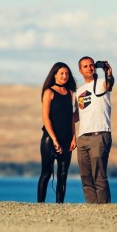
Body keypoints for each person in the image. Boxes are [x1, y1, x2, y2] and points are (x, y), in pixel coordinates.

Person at [74, 56, 115, 204]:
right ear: (80, 70)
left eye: (91, 65)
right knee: (85, 177)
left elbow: (110, 85)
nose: (89, 68)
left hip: (100, 134)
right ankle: (92, 209)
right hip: (83, 137)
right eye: (85, 66)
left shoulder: (102, 84)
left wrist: (108, 73)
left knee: (99, 176)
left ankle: (103, 209)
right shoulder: (79, 91)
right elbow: (76, 115)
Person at [38, 62, 77, 203]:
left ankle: (59, 206)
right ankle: (40, 205)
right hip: (50, 139)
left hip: (67, 139)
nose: (64, 76)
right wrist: (54, 139)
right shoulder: (49, 92)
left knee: (63, 174)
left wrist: (74, 137)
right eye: (61, 73)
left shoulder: (71, 93)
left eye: (67, 73)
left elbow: (71, 117)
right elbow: (45, 118)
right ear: (54, 75)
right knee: (46, 173)